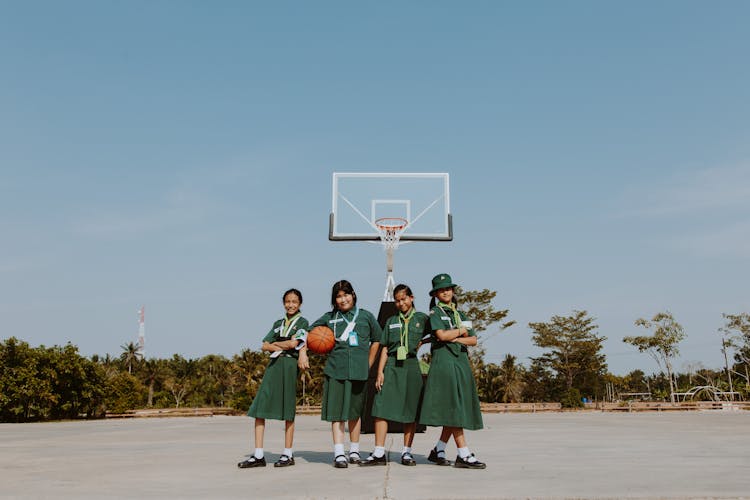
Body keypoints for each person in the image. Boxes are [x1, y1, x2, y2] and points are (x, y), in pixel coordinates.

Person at [308, 280, 382, 468]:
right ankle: (339, 452)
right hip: (336, 370)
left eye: (346, 294)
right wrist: (303, 349)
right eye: (339, 296)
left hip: (359, 371)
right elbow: (308, 333)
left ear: (353, 295)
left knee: (355, 413)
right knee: (337, 413)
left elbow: (378, 340)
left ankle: (355, 450)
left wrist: (369, 364)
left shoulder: (366, 316)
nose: (343, 299)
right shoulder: (329, 317)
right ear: (334, 300)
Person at [419, 273, 486, 469]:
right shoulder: (435, 313)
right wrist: (459, 333)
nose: (446, 292)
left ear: (453, 291)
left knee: (455, 406)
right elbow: (441, 334)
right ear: (436, 294)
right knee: (455, 407)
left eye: (448, 288)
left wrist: (454, 338)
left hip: (461, 361)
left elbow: (473, 339)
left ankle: (438, 450)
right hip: (445, 363)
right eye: (441, 289)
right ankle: (463, 454)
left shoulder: (461, 314)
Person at [238, 288, 309, 469]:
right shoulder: (278, 323)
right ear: (283, 303)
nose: (290, 304)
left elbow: (296, 343)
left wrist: (277, 344)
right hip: (273, 366)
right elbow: (264, 345)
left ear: (300, 303)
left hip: (289, 365)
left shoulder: (302, 322)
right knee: (260, 409)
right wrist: (283, 344)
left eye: (294, 301)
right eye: (287, 301)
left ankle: (287, 453)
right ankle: (259, 454)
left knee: (287, 410)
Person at [361, 284, 429, 466]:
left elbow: (437, 333)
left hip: (411, 366)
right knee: (380, 408)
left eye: (403, 299)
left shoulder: (422, 319)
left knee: (410, 410)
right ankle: (378, 452)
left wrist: (423, 341)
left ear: (411, 298)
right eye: (397, 300)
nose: (400, 303)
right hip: (391, 364)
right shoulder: (391, 321)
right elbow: (384, 347)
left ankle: (406, 453)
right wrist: (380, 371)